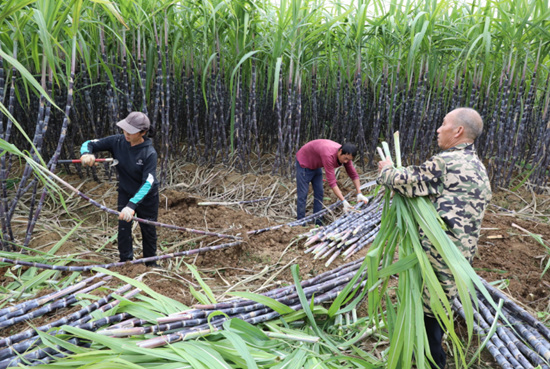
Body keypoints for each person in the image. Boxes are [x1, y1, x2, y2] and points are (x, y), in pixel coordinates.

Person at [377, 107, 492, 368]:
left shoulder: (447, 162)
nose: (438, 129)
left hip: (439, 256)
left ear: (458, 131)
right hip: (461, 257)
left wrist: (387, 169)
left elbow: (404, 179)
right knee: (441, 309)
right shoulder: (477, 166)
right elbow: (445, 197)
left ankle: (433, 362)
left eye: (443, 124)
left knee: (430, 318)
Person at [80, 112, 159, 267]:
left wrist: (132, 205)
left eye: (131, 131)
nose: (126, 134)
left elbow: (148, 183)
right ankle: (126, 263)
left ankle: (151, 264)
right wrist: (86, 154)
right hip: (125, 191)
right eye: (125, 129)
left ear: (143, 132)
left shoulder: (149, 153)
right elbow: (89, 143)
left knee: (148, 229)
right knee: (123, 228)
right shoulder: (117, 141)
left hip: (146, 196)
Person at [295, 139, 369, 224]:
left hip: (316, 164)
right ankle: (300, 224)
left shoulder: (346, 155)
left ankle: (318, 222)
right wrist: (343, 201)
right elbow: (332, 182)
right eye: (345, 158)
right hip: (304, 162)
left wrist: (359, 193)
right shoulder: (328, 155)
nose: (346, 162)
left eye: (348, 160)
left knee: (319, 193)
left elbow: (354, 174)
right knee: (303, 195)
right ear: (340, 151)